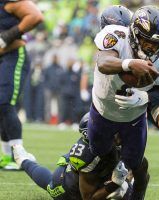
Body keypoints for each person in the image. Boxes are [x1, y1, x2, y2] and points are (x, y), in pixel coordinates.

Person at [89, 5, 159, 199]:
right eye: (147, 41)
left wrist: (156, 111)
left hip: (134, 117)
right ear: (134, 33)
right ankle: (115, 184)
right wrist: (129, 63)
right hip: (102, 110)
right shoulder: (116, 35)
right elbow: (103, 63)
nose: (151, 48)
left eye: (156, 43)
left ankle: (130, 190)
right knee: (100, 154)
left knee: (135, 162)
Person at [12, 113, 134, 200]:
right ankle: (24, 160)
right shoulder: (87, 155)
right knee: (50, 185)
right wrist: (115, 183)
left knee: (126, 190)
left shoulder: (113, 141)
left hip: (98, 176)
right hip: (68, 188)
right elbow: (88, 198)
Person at [0, 0, 43, 170]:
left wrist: (7, 36)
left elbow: (35, 16)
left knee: (4, 101)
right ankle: (6, 156)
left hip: (13, 56)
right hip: (3, 57)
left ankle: (18, 154)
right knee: (1, 106)